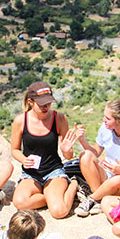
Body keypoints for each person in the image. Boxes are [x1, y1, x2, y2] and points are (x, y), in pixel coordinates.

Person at [11, 82, 81, 219]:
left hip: (53, 171)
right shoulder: (20, 120)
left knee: (59, 212)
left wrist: (66, 149)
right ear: (30, 102)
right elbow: (14, 150)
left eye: (48, 103)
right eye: (42, 103)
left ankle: (73, 184)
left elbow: (68, 155)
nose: (46, 107)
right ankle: (50, 197)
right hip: (31, 174)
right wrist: (23, 160)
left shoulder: (59, 118)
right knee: (20, 202)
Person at [74, 99, 120, 217]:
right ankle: (98, 199)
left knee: (119, 179)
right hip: (106, 175)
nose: (104, 120)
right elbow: (96, 153)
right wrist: (82, 140)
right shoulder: (105, 129)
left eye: (108, 118)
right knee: (85, 155)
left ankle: (92, 198)